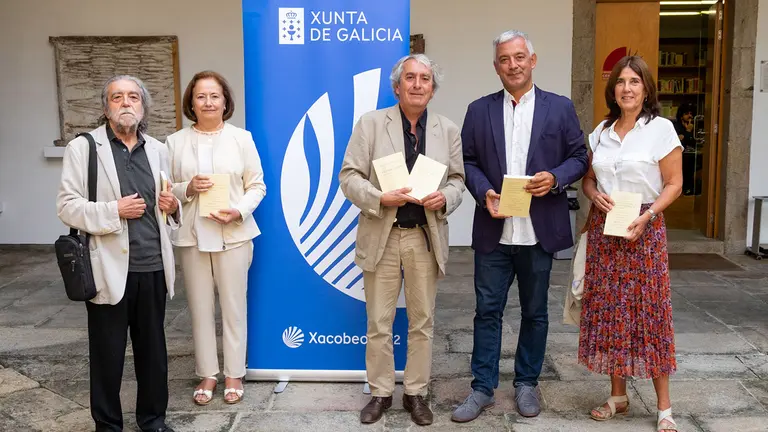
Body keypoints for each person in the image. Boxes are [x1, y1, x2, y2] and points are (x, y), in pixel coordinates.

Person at [452, 30, 589, 422]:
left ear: (532, 59)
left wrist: (557, 178)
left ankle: (527, 383)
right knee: (487, 311)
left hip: (538, 230)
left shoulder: (559, 108)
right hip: (495, 230)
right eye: (504, 60)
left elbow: (580, 156)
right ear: (496, 66)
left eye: (518, 57)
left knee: (535, 312)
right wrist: (484, 192)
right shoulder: (479, 110)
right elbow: (468, 162)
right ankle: (481, 388)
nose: (512, 65)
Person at [339, 54, 465, 426]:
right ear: (397, 86)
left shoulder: (447, 129)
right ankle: (380, 393)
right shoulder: (371, 124)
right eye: (409, 78)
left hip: (424, 238)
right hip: (383, 235)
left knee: (422, 321)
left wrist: (447, 197)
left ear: (432, 88)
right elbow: (349, 177)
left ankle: (415, 393)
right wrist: (380, 198)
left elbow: (458, 180)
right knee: (379, 321)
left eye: (424, 78)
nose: (416, 84)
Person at [57, 75, 180, 432]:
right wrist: (114, 211)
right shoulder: (83, 149)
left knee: (153, 353)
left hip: (153, 266)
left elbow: (166, 207)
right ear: (105, 106)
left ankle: (153, 420)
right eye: (117, 97)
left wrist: (171, 208)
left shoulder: (159, 150)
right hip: (107, 268)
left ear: (143, 107)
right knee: (108, 355)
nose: (126, 103)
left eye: (133, 97)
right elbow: (67, 206)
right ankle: (108, 425)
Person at [579, 55, 683, 432]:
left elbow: (674, 183)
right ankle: (618, 396)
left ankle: (664, 407)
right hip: (606, 230)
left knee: (650, 314)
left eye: (634, 82)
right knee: (612, 312)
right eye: (621, 82)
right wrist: (593, 195)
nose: (627, 88)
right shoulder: (602, 131)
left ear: (646, 88)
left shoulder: (661, 130)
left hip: (644, 228)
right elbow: (589, 178)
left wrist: (649, 215)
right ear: (613, 88)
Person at [166, 71, 266, 405]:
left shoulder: (242, 138)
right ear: (191, 102)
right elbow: (166, 192)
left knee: (234, 307)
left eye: (214, 96)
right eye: (200, 96)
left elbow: (257, 185)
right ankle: (208, 373)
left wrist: (238, 210)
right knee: (199, 308)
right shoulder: (175, 142)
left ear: (225, 101)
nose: (208, 102)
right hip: (193, 236)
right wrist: (187, 188)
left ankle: (234, 373)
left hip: (233, 234)